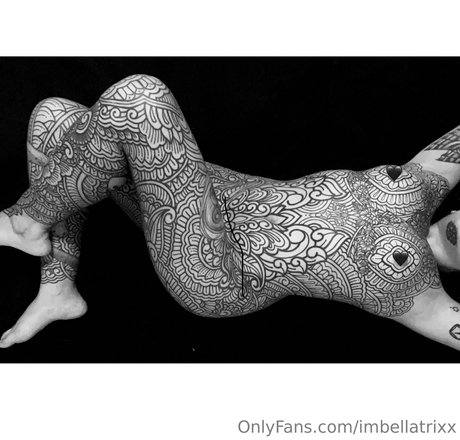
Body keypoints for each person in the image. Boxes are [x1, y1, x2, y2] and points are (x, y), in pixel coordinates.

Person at [0, 73, 460, 352]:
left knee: (140, 100)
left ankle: (24, 221)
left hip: (220, 273)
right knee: (54, 119)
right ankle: (57, 290)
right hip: (206, 195)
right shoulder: (421, 184)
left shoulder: (420, 296)